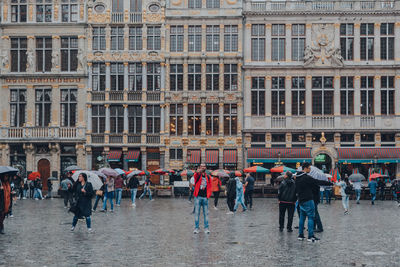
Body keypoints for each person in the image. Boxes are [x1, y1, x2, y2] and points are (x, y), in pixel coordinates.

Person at [295, 162, 333, 242]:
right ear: (305, 168)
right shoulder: (306, 177)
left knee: (302, 218)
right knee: (311, 218)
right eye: (309, 168)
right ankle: (310, 236)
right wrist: (330, 183)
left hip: (301, 200)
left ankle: (300, 235)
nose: (310, 169)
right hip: (308, 199)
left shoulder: (297, 178)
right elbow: (318, 182)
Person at [193, 164, 212, 234]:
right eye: (201, 166)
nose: (203, 167)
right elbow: (195, 175)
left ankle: (206, 228)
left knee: (206, 214)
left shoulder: (208, 177)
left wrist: (208, 195)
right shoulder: (197, 175)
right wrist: (198, 171)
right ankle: (196, 228)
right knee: (197, 213)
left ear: (206, 168)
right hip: (198, 197)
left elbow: (210, 186)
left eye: (204, 166)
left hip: (205, 197)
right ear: (200, 168)